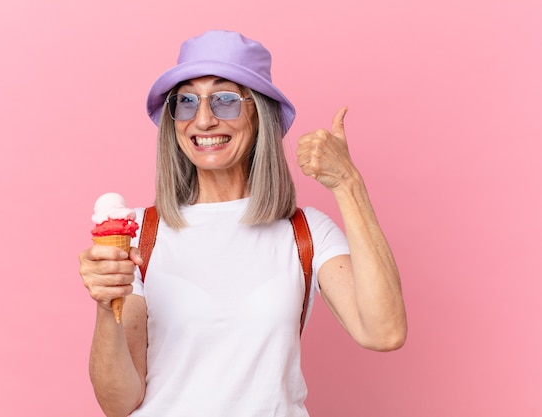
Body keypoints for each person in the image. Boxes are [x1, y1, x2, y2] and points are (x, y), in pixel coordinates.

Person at [78, 30, 407, 416]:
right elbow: (119, 403)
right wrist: (106, 305)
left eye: (225, 100)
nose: (202, 120)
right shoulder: (141, 233)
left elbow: (384, 332)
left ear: (259, 113)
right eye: (185, 101)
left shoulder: (306, 233)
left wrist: (348, 184)